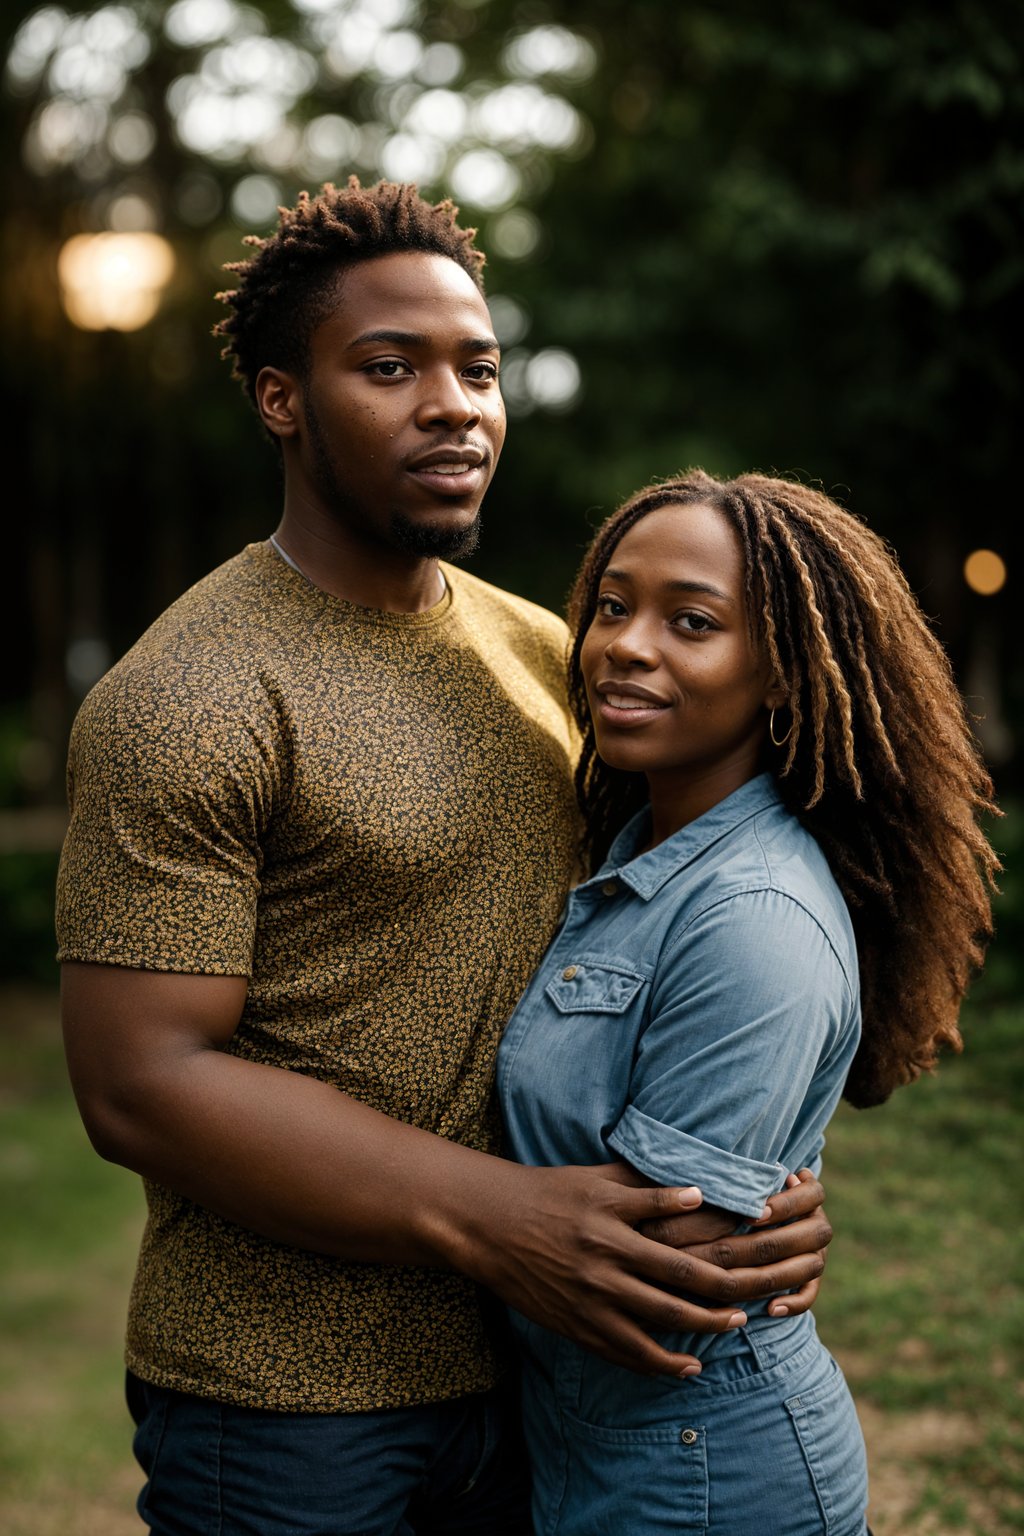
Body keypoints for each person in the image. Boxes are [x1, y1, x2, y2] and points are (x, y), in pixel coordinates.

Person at [57, 181, 832, 1536]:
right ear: (280, 399)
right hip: (287, 1413)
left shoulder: (550, 652)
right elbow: (141, 1086)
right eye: (389, 367)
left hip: (543, 1374)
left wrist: (744, 1176)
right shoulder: (187, 696)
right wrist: (506, 1217)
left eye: (477, 367)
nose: (454, 404)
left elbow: (661, 934)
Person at [498, 469, 999, 1535]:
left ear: (781, 673)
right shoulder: (639, 851)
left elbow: (649, 1271)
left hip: (700, 1474)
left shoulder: (753, 913)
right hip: (592, 1447)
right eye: (613, 606)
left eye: (692, 622)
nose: (625, 646)